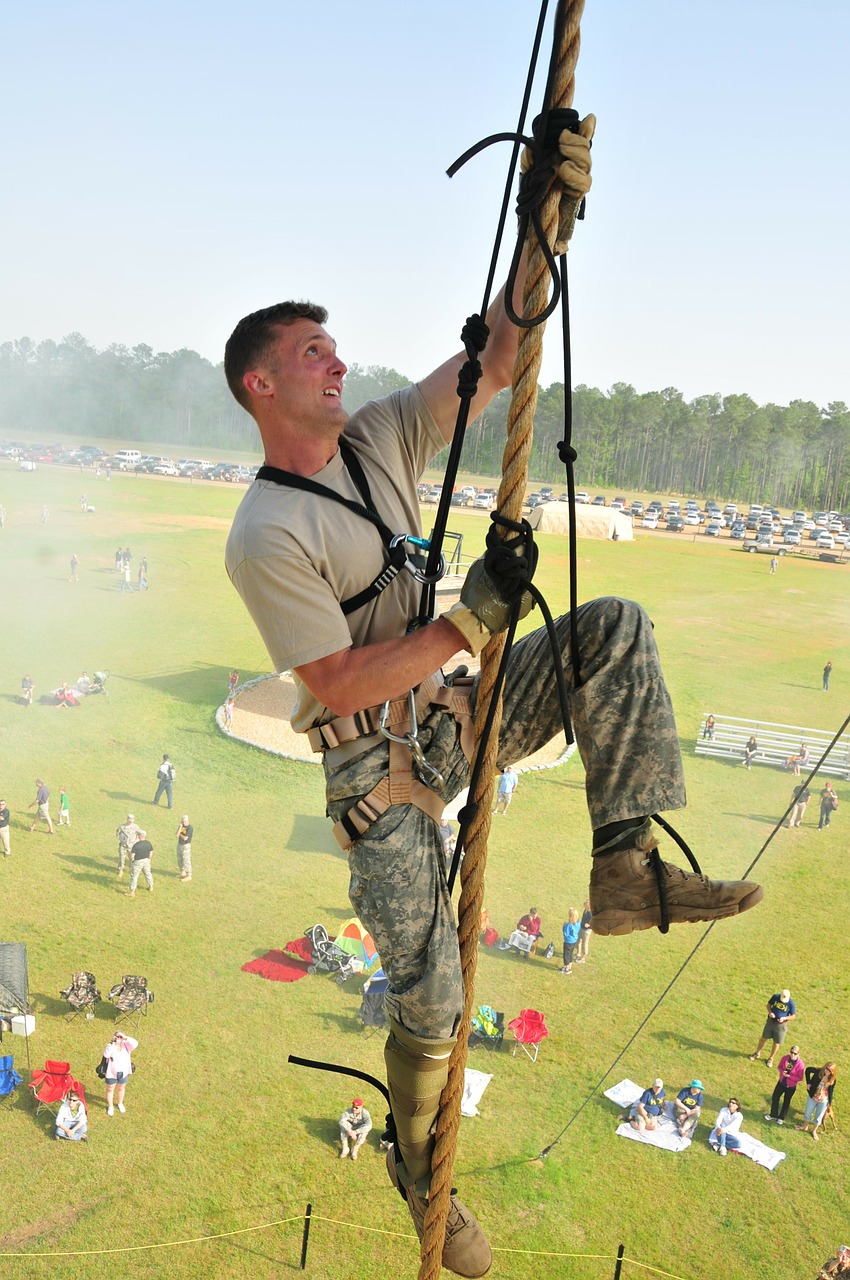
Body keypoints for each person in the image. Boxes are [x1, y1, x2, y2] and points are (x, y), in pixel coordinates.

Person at [222, 284, 761, 1272]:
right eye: (312, 351)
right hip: (374, 767)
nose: (338, 363)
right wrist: (466, 620)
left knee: (614, 627)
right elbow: (337, 677)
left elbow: (500, 361)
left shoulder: (379, 436)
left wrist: (535, 234)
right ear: (259, 384)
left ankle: (624, 869)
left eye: (335, 347)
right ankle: (421, 1167)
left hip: (456, 714)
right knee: (429, 999)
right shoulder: (265, 533)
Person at [749, 989, 796, 1066]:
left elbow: (793, 1016)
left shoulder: (791, 1003)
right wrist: (770, 1013)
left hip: (781, 1025)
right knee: (764, 1038)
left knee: (776, 1042)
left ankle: (771, 1059)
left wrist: (784, 1018)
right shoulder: (775, 997)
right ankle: (757, 1053)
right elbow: (768, 1005)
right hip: (771, 1021)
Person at [797, 1062, 837, 1140]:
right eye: (827, 1069)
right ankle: (805, 1126)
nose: (827, 1071)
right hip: (813, 1097)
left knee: (819, 1116)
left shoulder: (832, 1080)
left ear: (833, 1072)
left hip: (823, 1100)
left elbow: (831, 1092)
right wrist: (808, 1083)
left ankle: (814, 1131)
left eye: (830, 1071)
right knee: (808, 1112)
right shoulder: (818, 1072)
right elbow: (808, 1070)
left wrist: (829, 1104)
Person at [765, 1044, 804, 1124]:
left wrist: (790, 1076)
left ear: (798, 1054)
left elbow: (800, 1078)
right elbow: (779, 1066)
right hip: (782, 1082)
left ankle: (781, 1117)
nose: (793, 1055)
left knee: (786, 1101)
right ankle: (773, 1114)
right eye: (791, 1052)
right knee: (775, 1097)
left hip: (791, 1086)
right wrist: (782, 1072)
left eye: (795, 1053)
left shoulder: (800, 1064)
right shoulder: (785, 1058)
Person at [103, 1030, 138, 1115]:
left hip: (123, 1072)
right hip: (111, 1073)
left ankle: (120, 1103)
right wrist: (112, 1043)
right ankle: (110, 1106)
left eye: (120, 1037)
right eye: (117, 1037)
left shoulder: (126, 1046)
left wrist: (125, 1037)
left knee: (121, 1088)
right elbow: (106, 1055)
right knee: (110, 1089)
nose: (119, 1039)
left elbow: (135, 1043)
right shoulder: (110, 1046)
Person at [115, 814, 145, 879]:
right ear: (127, 819)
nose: (131, 821)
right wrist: (121, 840)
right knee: (121, 858)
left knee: (132, 859)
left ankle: (131, 869)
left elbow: (141, 834)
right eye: (129, 820)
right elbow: (117, 834)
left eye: (132, 820)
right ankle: (120, 870)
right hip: (123, 846)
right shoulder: (122, 827)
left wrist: (137, 841)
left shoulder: (135, 827)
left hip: (132, 846)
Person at [560, 908, 580, 974]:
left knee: (566, 955)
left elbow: (566, 934)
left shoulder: (569, 925)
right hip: (574, 941)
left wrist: (564, 926)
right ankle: (569, 966)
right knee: (571, 954)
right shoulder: (578, 923)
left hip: (568, 942)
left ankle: (567, 969)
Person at [176, 815, 193, 881]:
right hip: (179, 844)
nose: (183, 823)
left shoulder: (190, 828)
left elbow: (185, 838)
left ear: (187, 821)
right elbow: (176, 835)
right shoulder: (181, 826)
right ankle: (182, 872)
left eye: (184, 821)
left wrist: (180, 834)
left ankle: (189, 875)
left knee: (186, 860)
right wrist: (180, 827)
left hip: (186, 846)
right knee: (180, 859)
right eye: (182, 821)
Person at [576, 899, 592, 963]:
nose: (584, 905)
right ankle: (578, 954)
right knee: (578, 941)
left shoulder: (591, 914)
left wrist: (589, 925)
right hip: (581, 928)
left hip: (586, 931)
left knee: (584, 944)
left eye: (585, 904)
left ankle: (583, 958)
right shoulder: (585, 910)